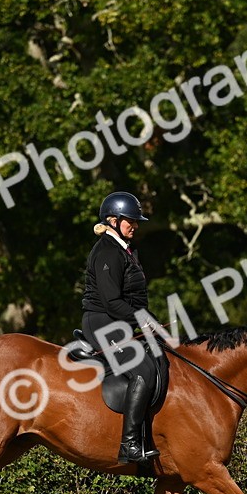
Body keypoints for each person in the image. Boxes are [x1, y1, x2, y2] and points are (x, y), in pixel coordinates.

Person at [81, 191, 161, 464]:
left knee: (162, 356)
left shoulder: (124, 250)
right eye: (131, 220)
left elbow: (133, 299)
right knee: (143, 368)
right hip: (102, 322)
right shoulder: (107, 251)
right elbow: (113, 302)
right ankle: (129, 445)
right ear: (112, 220)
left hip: (119, 320)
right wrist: (144, 320)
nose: (135, 225)